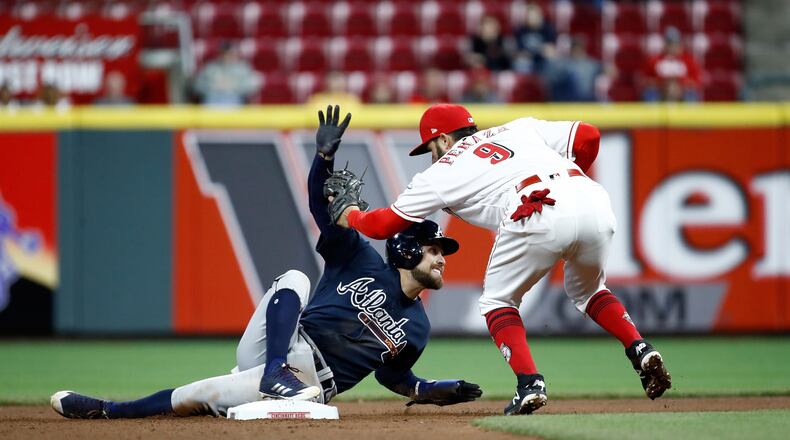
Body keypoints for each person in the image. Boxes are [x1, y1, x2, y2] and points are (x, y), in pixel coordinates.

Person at [50, 105, 481, 420]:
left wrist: (433, 389)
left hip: (313, 385)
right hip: (278, 347)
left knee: (199, 394)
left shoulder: (418, 328)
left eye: (441, 251)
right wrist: (323, 160)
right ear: (407, 249)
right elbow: (321, 207)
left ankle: (107, 411)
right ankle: (273, 372)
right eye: (435, 249)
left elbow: (392, 376)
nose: (442, 258)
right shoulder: (359, 257)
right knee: (293, 276)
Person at [332, 103, 672, 415]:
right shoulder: (518, 128)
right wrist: (567, 185)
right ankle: (639, 348)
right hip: (591, 198)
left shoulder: (442, 171)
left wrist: (352, 215)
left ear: (445, 139)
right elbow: (589, 135)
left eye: (430, 147)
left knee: (498, 301)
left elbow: (384, 226)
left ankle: (530, 384)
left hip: (535, 207)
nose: (431, 156)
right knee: (589, 291)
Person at [641, 27, 701, 102]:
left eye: (675, 44)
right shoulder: (654, 60)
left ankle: (690, 114)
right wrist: (663, 83)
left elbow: (696, 82)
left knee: (691, 96)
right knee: (650, 94)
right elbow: (646, 80)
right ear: (665, 45)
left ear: (680, 45)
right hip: (660, 91)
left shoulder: (689, 61)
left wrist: (680, 84)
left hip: (682, 91)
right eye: (669, 43)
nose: (672, 47)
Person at [193, 41, 258, 106]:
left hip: (235, 100)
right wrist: (214, 86)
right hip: (212, 99)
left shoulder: (243, 69)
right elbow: (197, 86)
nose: (228, 56)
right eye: (226, 54)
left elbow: (252, 87)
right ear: (221, 54)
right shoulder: (210, 68)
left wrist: (233, 86)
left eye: (231, 54)